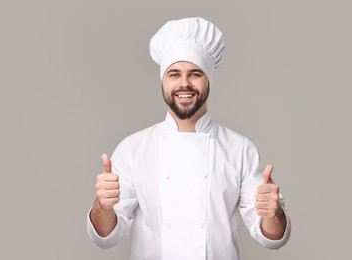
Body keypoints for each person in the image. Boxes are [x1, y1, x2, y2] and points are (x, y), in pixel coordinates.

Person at [87, 17, 291, 260]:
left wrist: (273, 213)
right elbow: (107, 236)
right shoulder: (133, 148)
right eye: (174, 74)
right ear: (163, 80)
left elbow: (272, 236)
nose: (184, 83)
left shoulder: (240, 149)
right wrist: (103, 206)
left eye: (195, 73)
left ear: (208, 80)